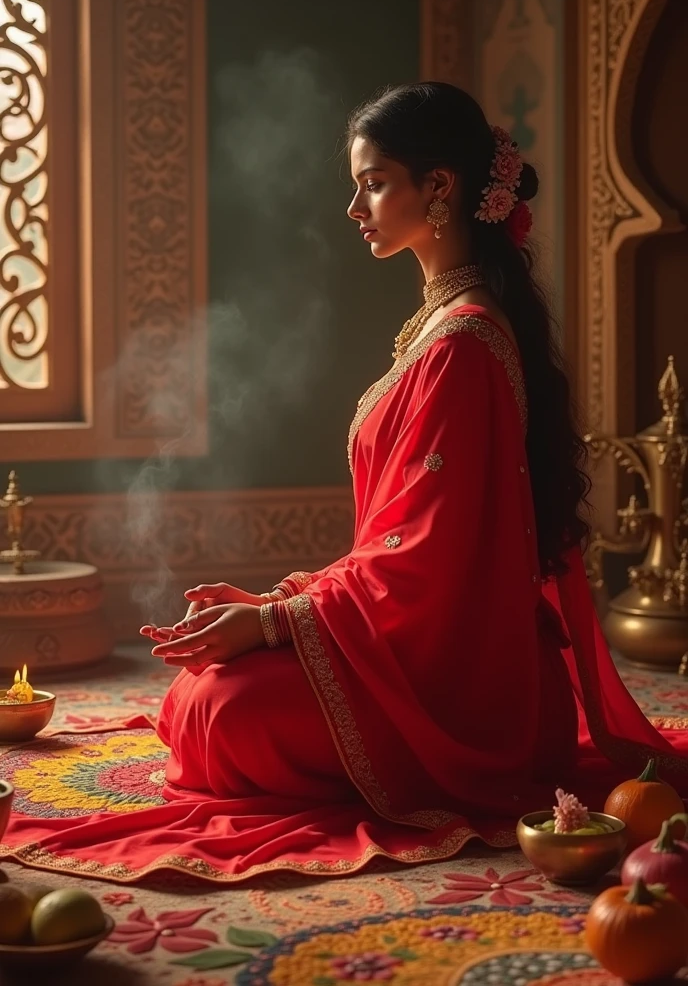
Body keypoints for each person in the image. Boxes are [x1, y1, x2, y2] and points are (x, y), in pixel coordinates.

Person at [2, 83, 687, 885]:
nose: (355, 207)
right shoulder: (443, 325)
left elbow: (425, 562)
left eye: (373, 181)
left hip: (466, 691)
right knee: (202, 694)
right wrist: (272, 610)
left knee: (218, 712)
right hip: (428, 647)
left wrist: (278, 623)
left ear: (440, 187)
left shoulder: (462, 343)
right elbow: (398, 544)